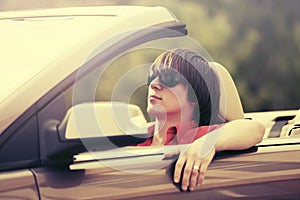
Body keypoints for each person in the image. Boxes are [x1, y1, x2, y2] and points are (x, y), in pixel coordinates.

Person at [137, 48, 265, 191]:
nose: (154, 84)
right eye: (152, 76)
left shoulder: (196, 136)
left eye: (169, 78)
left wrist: (207, 143)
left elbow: (255, 129)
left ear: (194, 97)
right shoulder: (136, 134)